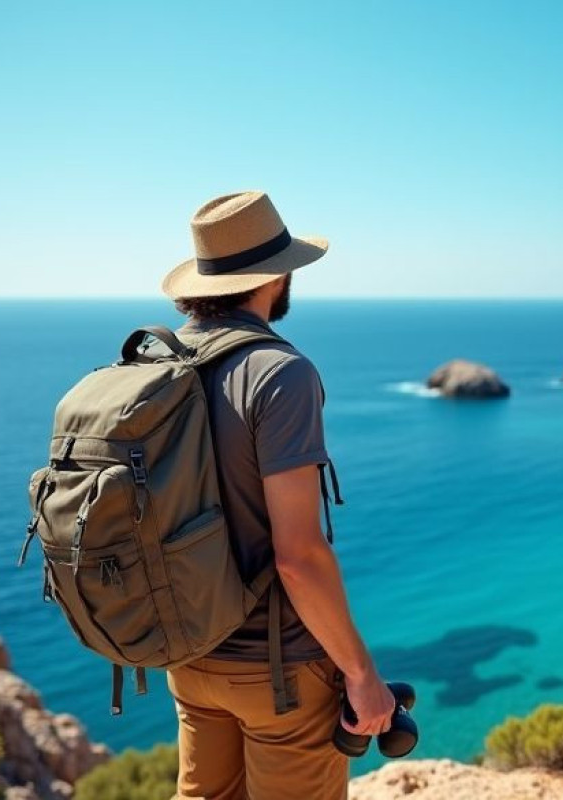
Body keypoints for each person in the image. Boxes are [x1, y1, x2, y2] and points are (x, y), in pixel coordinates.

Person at [158, 190, 396, 800]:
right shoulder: (279, 373)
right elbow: (297, 554)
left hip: (186, 655)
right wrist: (361, 673)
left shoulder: (158, 365)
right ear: (277, 276)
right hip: (276, 671)